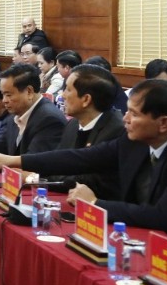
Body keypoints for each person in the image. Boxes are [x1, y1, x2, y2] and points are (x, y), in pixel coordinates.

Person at [0, 80, 167, 267]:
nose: (125, 119)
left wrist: (95, 204)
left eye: (134, 114)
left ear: (163, 123)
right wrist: (15, 160)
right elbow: (83, 158)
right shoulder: (137, 137)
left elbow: (164, 215)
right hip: (155, 249)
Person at [44, 64, 127, 197]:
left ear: (86, 99)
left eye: (68, 90)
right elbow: (58, 162)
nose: (63, 95)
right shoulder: (73, 124)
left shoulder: (116, 130)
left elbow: (88, 181)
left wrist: (38, 178)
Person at [0, 63, 64, 155]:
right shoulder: (16, 115)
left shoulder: (49, 119)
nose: (4, 100)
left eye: (8, 95)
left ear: (29, 92)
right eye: (3, 94)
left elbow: (33, 161)